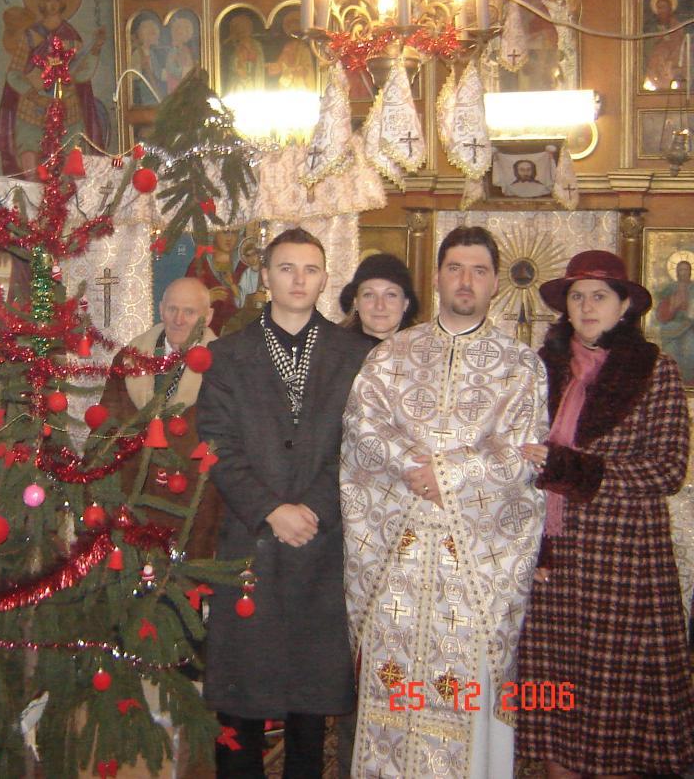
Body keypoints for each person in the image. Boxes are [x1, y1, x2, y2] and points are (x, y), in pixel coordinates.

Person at [340, 226, 548, 778]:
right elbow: (362, 425)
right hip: (399, 555)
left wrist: (447, 475)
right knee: (392, 692)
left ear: (495, 282)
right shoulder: (392, 355)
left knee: (464, 698)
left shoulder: (521, 366)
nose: (466, 281)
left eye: (479, 270)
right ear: (436, 277)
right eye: (455, 268)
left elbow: (524, 455)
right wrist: (413, 467)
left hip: (474, 563)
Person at [196, 228, 372, 776]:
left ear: (325, 279)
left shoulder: (357, 354)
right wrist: (271, 510)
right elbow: (216, 443)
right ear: (266, 276)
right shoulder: (227, 355)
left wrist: (312, 508)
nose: (299, 279)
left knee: (309, 702)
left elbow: (361, 445)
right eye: (287, 268)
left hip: (321, 545)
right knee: (241, 696)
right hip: (250, 540)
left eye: (311, 269)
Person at [516, 250, 694, 777]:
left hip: (623, 565)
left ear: (623, 307)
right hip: (551, 564)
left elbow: (667, 469)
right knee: (556, 703)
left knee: (615, 709)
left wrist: (575, 468)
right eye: (577, 296)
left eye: (599, 296)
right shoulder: (539, 370)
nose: (587, 306)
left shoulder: (654, 370)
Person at [98, 277, 223, 558]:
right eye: (172, 309)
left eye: (189, 312)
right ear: (161, 309)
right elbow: (107, 427)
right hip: (133, 496)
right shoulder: (129, 359)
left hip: (194, 503)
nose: (179, 319)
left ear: (208, 317)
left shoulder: (225, 367)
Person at [0, 0, 107, 175]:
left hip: (67, 108)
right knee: (30, 159)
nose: (53, 3)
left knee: (71, 165)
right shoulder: (30, 36)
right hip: (33, 109)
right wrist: (33, 94)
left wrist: (95, 50)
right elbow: (14, 73)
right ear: (39, 1)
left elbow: (81, 75)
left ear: (64, 1)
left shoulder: (71, 37)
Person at [338, 253, 419, 342]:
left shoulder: (426, 347)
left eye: (390, 295)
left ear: (406, 304)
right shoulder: (332, 346)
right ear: (356, 302)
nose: (379, 306)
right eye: (369, 295)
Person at [657, 256, 694, 382]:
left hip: (690, 327)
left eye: (686, 269)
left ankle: (688, 382)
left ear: (690, 272)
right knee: (670, 353)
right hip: (671, 328)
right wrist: (673, 306)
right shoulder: (670, 289)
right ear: (677, 272)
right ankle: (671, 382)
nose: (683, 272)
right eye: (681, 269)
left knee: (690, 349)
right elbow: (661, 313)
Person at [220, 13, 265, 94]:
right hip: (238, 83)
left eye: (246, 27)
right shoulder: (232, 46)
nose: (244, 30)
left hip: (254, 81)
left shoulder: (256, 45)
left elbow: (259, 61)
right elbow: (233, 65)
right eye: (241, 28)